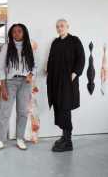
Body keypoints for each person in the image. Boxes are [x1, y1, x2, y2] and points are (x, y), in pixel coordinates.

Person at [0, 23, 35, 152]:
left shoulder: (29, 46)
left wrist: (31, 74)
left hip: (25, 83)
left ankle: (20, 138)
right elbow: (2, 68)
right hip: (10, 82)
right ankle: (0, 141)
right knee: (5, 112)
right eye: (14, 31)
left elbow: (34, 65)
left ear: (24, 32)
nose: (17, 33)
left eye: (19, 31)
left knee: (22, 112)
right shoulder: (6, 47)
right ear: (11, 33)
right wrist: (3, 87)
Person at [47, 19, 85, 152]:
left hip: (68, 83)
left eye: (62, 26)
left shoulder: (75, 40)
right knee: (58, 108)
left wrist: (75, 73)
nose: (59, 28)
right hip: (56, 82)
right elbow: (51, 59)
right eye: (57, 26)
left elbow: (81, 58)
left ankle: (68, 142)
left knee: (65, 109)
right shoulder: (55, 42)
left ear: (67, 27)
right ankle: (64, 136)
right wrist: (48, 69)